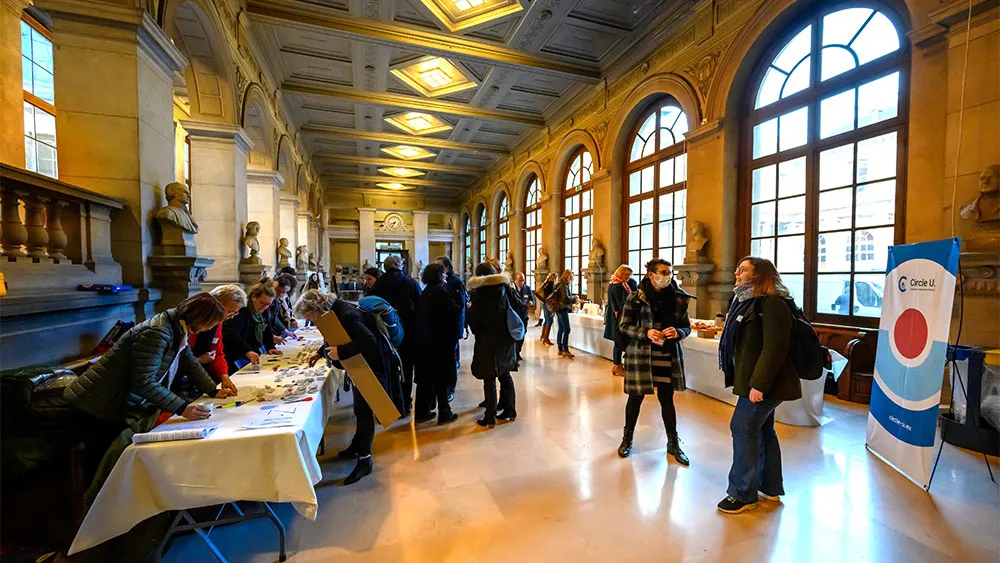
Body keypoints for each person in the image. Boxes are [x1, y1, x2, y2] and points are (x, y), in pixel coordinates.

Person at [63, 294, 234, 494]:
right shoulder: (157, 332)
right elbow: (144, 382)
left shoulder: (176, 326)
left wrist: (213, 390)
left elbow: (189, 362)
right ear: (200, 318)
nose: (210, 328)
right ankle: (95, 511)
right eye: (210, 323)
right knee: (103, 465)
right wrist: (182, 407)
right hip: (95, 404)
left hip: (111, 401)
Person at [716, 257, 802, 514]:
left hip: (765, 383)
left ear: (759, 275)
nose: (736, 273)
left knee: (742, 427)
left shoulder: (773, 304)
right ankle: (770, 487)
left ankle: (742, 493)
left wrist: (759, 384)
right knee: (763, 430)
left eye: (743, 269)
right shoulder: (747, 302)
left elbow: (774, 349)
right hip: (755, 381)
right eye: (737, 268)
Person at [297, 290, 397, 485]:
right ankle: (357, 446)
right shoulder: (334, 312)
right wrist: (321, 352)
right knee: (359, 409)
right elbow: (336, 335)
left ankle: (364, 460)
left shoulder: (346, 313)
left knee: (365, 411)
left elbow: (367, 340)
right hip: (359, 364)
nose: (312, 321)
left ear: (317, 308)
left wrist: (340, 351)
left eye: (310, 317)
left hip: (370, 366)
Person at [616, 259, 693, 467]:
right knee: (635, 398)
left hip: (667, 354)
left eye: (669, 272)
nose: (667, 276)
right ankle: (627, 438)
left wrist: (678, 332)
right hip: (642, 354)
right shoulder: (636, 297)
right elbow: (623, 326)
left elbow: (687, 327)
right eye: (663, 272)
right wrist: (646, 332)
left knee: (667, 399)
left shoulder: (678, 298)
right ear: (651, 274)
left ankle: (673, 443)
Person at [467, 262, 521, 428]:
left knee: (489, 378)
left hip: (487, 341)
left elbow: (475, 322)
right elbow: (520, 308)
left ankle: (489, 416)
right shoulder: (506, 290)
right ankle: (510, 410)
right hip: (506, 339)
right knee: (505, 374)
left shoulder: (479, 294)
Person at [370, 255, 421, 416]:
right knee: (406, 368)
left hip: (384, 333)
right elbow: (420, 306)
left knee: (389, 368)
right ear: (400, 266)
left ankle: (392, 404)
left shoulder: (378, 284)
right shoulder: (410, 282)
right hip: (408, 332)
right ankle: (405, 403)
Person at [413, 263, 461, 424]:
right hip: (440, 342)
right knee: (441, 379)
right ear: (438, 276)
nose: (446, 276)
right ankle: (444, 412)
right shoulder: (440, 292)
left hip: (425, 342)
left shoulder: (427, 291)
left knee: (426, 379)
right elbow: (452, 313)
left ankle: (422, 412)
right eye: (443, 274)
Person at [189, 284, 245, 391]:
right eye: (229, 311)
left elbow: (217, 352)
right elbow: (179, 359)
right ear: (216, 305)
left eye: (235, 313)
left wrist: (224, 376)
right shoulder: (194, 323)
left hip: (202, 374)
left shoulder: (218, 323)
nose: (231, 317)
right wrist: (198, 360)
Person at [223, 279, 284, 374]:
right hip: (236, 354)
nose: (264, 307)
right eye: (262, 303)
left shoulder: (264, 310)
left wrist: (270, 347)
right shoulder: (242, 311)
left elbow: (267, 328)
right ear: (253, 297)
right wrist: (247, 351)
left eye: (268, 304)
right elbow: (232, 334)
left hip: (253, 352)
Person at [437, 256, 467, 399]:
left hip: (451, 325)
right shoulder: (441, 283)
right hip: (442, 326)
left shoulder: (455, 282)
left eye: (440, 266)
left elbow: (459, 306)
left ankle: (450, 388)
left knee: (450, 359)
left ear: (447, 268)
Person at [604, 265, 638, 377]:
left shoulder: (626, 283)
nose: (628, 277)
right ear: (620, 274)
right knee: (618, 341)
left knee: (620, 341)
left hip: (621, 315)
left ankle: (618, 364)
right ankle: (617, 365)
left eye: (629, 275)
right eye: (625, 274)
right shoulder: (617, 286)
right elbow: (622, 304)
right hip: (618, 316)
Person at [551, 269, 577, 358]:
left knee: (561, 328)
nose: (571, 279)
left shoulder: (559, 283)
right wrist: (574, 298)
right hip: (562, 309)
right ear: (567, 276)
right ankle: (565, 349)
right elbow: (565, 298)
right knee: (567, 329)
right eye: (570, 277)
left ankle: (560, 348)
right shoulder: (563, 285)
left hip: (559, 308)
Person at [513, 272, 534, 365]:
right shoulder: (511, 289)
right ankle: (515, 353)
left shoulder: (527, 288)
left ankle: (518, 351)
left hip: (524, 315)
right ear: (515, 280)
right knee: (515, 335)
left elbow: (532, 299)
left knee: (523, 334)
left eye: (523, 280)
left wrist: (531, 303)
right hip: (514, 316)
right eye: (520, 280)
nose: (522, 282)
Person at [536, 272, 557, 345]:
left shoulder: (546, 283)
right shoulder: (551, 284)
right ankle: (546, 338)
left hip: (545, 303)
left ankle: (543, 335)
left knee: (546, 319)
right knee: (549, 320)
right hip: (548, 304)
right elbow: (550, 295)